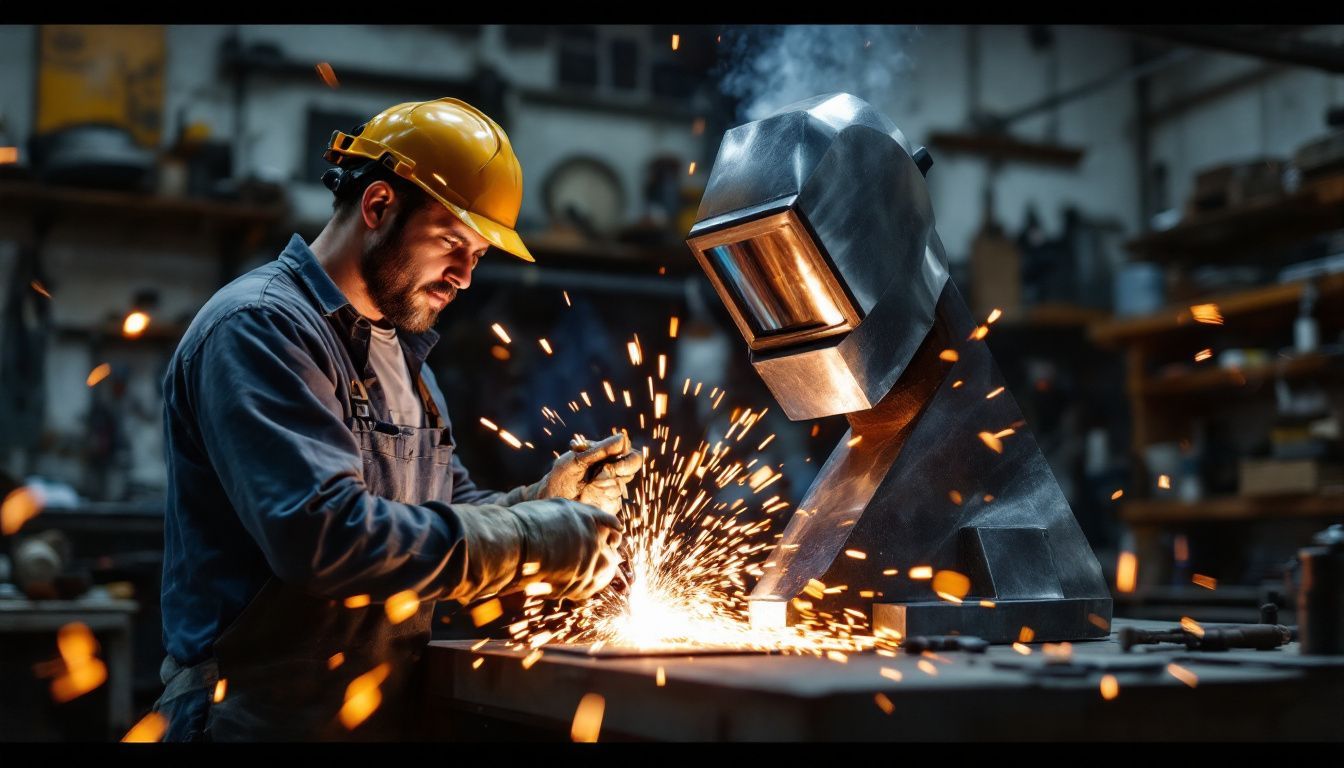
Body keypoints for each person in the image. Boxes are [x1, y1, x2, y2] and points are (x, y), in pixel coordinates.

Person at [150, 98, 641, 741]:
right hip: (256, 720)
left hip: (372, 715)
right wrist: (529, 539)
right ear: (378, 206)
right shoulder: (260, 329)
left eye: (479, 253)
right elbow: (322, 536)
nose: (465, 276)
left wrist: (540, 501)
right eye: (451, 243)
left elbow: (449, 508)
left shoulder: (405, 356)